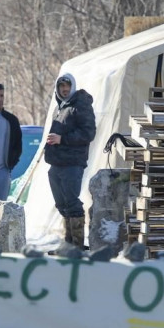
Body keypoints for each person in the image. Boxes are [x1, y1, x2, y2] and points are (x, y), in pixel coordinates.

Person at [44, 73, 96, 249]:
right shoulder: (60, 107)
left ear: (72, 86)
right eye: (61, 86)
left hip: (72, 163)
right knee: (61, 203)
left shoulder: (80, 105)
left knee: (72, 203)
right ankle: (68, 243)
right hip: (56, 162)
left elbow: (88, 133)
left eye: (67, 86)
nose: (64, 89)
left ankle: (77, 245)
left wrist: (62, 139)